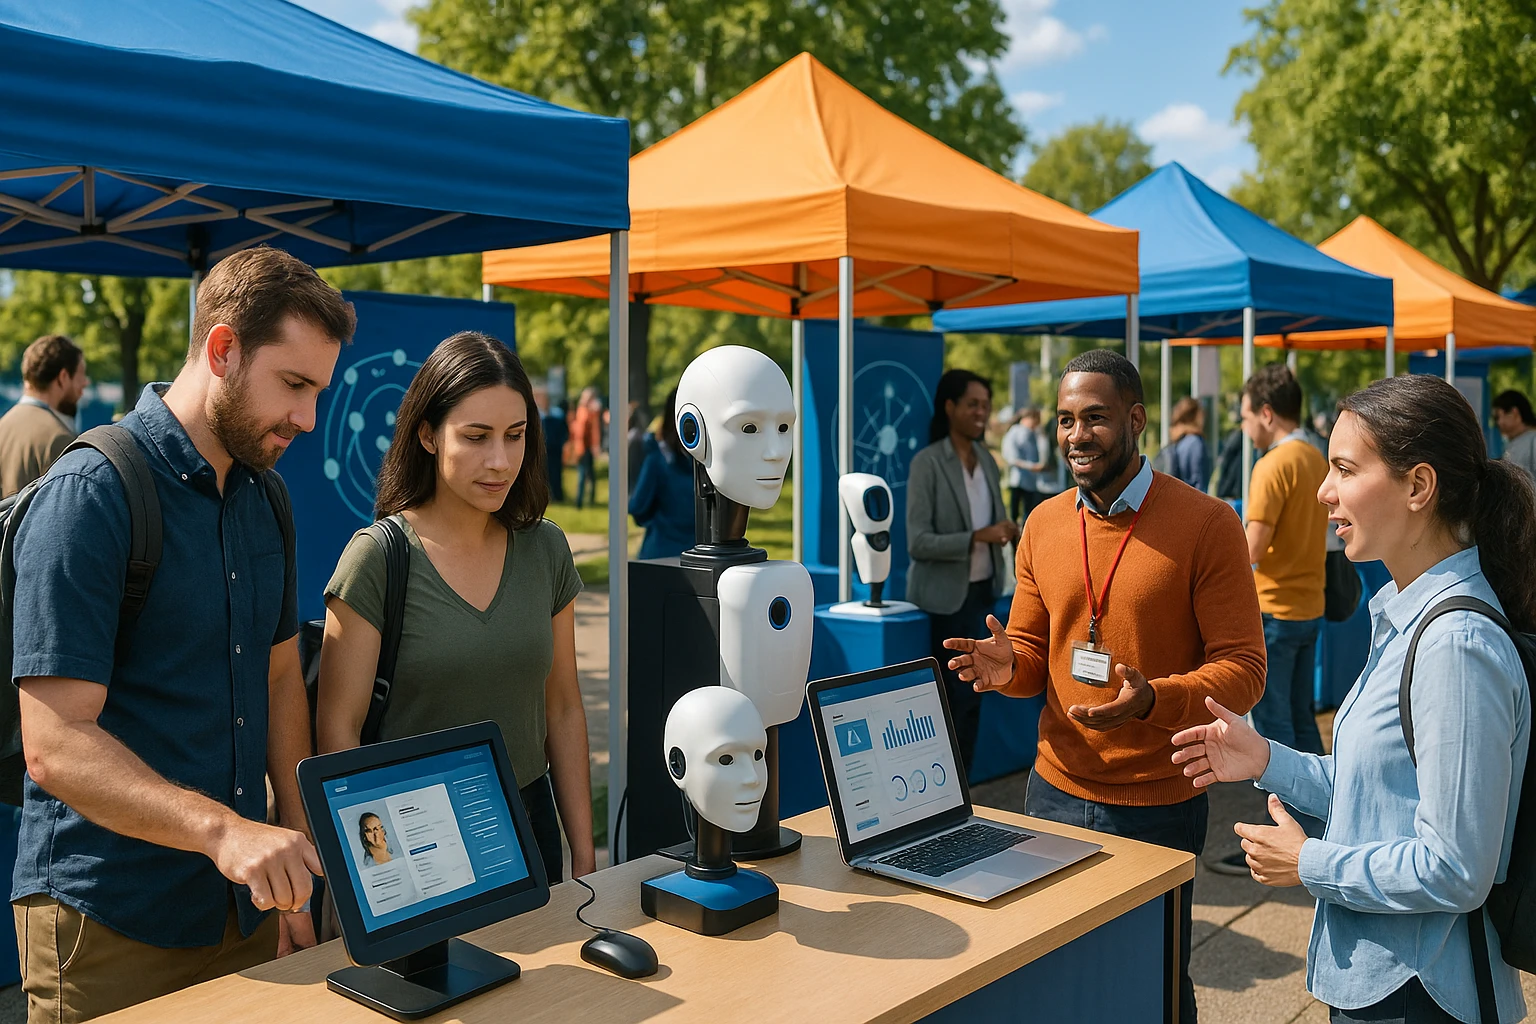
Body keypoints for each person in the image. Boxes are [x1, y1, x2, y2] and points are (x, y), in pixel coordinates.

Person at [9, 247, 354, 1022]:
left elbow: (278, 682)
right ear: (223, 349)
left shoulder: (268, 498)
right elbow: (54, 744)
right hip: (107, 920)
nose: (307, 419)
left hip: (243, 909)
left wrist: (298, 858)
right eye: (293, 384)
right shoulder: (90, 493)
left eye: (318, 391)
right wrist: (225, 832)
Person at [1173, 373, 1532, 1024]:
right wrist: (1264, 759)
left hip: (1421, 994)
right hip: (1393, 984)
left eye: (1344, 468)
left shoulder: (1454, 644)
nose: (1323, 490)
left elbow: (1456, 868)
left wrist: (1307, 861)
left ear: (1418, 486)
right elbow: (1383, 793)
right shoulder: (1414, 621)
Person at [943, 349, 1265, 1024]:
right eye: (1065, 420)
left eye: (1095, 418)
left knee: (1151, 984)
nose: (1076, 435)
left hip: (1158, 804)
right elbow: (1033, 652)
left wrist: (1154, 700)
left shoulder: (1208, 523)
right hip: (1053, 793)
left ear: (1137, 420)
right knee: (1057, 981)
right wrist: (1008, 667)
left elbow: (1243, 669)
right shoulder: (1043, 523)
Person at [318, 332, 594, 883]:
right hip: (414, 836)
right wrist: (375, 868)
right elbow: (337, 729)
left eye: (515, 436)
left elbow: (562, 708)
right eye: (476, 436)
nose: (500, 461)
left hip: (529, 825)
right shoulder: (377, 557)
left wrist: (585, 857)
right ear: (427, 435)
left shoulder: (547, 549)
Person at [1210, 365, 1330, 874]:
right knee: (1302, 722)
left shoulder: (1272, 465)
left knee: (1275, 735)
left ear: (1265, 413)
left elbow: (1250, 549)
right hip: (1310, 605)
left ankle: (1287, 838)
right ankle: (1325, 828)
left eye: (1244, 417)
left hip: (1275, 610)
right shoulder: (1317, 457)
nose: (1243, 428)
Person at [907, 369, 1019, 773]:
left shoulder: (987, 460)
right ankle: (942, 786)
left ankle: (962, 785)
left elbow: (996, 521)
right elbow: (918, 542)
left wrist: (1007, 531)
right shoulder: (928, 463)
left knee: (974, 697)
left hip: (982, 594)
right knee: (948, 702)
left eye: (985, 405)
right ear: (950, 407)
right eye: (972, 404)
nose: (981, 412)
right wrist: (977, 537)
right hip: (944, 602)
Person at [0, 333, 89, 497]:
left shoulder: (3, 426)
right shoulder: (59, 440)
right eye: (81, 374)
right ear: (63, 377)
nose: (85, 382)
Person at [630, 388, 696, 560]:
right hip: (698, 555)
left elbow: (638, 507)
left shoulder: (658, 459)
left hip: (661, 552)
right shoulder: (709, 464)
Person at [1001, 407, 1050, 525]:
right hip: (1018, 479)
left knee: (1029, 514)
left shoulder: (1035, 434)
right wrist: (1032, 467)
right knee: (1014, 514)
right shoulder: (1016, 432)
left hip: (1032, 481)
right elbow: (1011, 457)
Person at [1157, 396, 1211, 493]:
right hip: (1191, 498)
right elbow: (1199, 481)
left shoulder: (1176, 440)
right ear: (1196, 416)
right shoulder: (1195, 442)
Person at [1493, 389, 1536, 482]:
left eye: (1497, 417)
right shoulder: (1517, 441)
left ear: (1514, 413)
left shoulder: (1533, 439)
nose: (1498, 423)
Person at [571, 387, 602, 510]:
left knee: (588, 475)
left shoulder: (585, 411)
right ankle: (580, 501)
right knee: (584, 475)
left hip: (585, 448)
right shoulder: (584, 412)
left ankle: (588, 500)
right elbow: (582, 432)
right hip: (584, 448)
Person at [543, 398, 569, 503]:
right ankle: (548, 495)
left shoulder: (558, 416)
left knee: (556, 473)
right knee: (545, 474)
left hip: (555, 449)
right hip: (545, 450)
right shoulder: (541, 416)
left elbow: (564, 432)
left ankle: (557, 495)